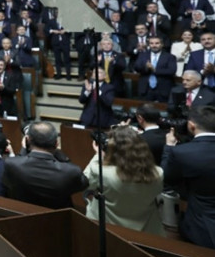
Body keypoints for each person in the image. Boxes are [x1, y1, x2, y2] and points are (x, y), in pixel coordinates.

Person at [83, 126, 165, 235]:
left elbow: (85, 183)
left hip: (106, 227)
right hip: (146, 230)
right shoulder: (158, 173)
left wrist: (98, 156)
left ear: (112, 150)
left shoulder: (102, 172)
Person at [163, 105, 215, 249]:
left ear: (191, 125)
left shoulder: (182, 152)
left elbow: (167, 178)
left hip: (201, 228)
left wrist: (169, 147)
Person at [3, 121, 88, 209]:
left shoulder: (11, 164)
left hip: (25, 214)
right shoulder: (71, 171)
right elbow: (84, 184)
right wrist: (60, 153)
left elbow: (10, 179)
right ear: (56, 143)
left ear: (27, 140)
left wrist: (23, 150)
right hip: (58, 215)